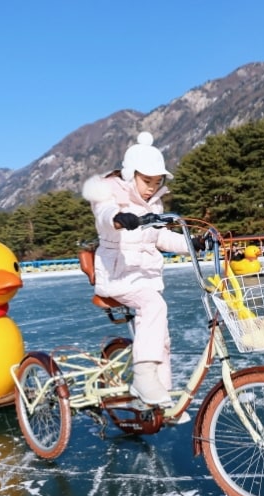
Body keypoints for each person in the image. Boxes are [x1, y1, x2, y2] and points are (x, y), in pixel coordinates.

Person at [81, 131, 191, 409]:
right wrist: (119, 218)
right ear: (131, 175)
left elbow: (160, 236)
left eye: (157, 182)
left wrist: (193, 244)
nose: (152, 188)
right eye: (146, 181)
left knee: (161, 337)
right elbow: (104, 215)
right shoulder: (109, 192)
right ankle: (142, 378)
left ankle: (161, 399)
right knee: (154, 306)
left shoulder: (154, 202)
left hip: (145, 279)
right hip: (118, 275)